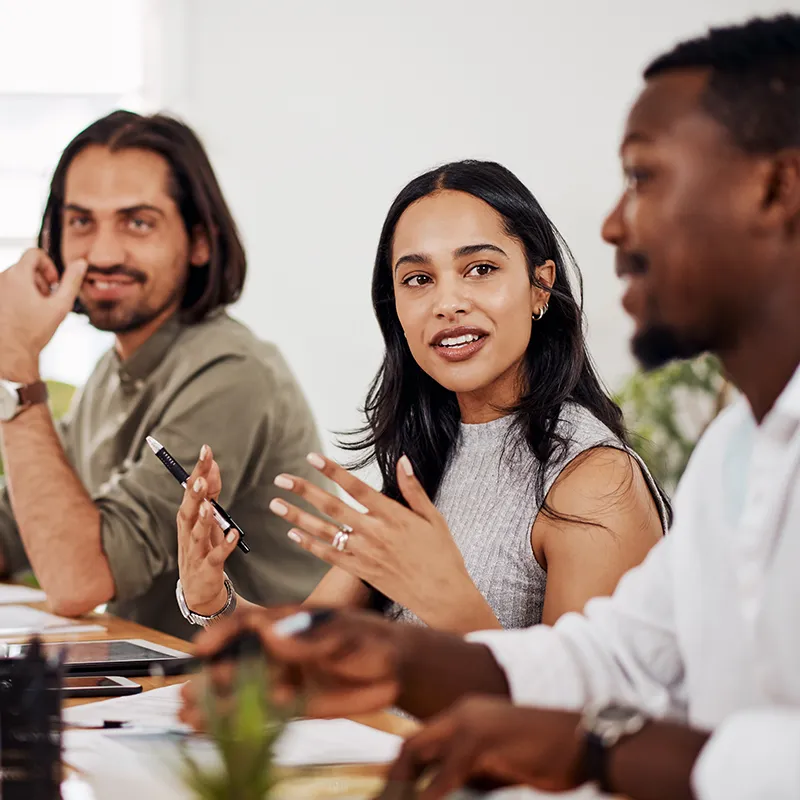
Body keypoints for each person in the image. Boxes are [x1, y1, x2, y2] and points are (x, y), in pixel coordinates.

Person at [181, 13, 800, 800]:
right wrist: (376, 653)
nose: (611, 224)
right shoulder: (734, 453)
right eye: (417, 280)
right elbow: (611, 659)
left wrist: (590, 747)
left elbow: (619, 721)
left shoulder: (592, 477)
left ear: (777, 188)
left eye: (645, 178)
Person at [177, 160, 669, 635]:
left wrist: (450, 602)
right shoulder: (432, 453)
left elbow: (577, 715)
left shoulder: (596, 483)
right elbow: (305, 646)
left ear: (540, 285)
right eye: (419, 279)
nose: (448, 304)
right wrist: (212, 598)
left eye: (479, 268)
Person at [0, 111, 329, 639]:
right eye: (82, 221)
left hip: (269, 699)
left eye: (138, 222)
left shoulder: (231, 373)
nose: (103, 254)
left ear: (199, 242)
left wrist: (15, 367)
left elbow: (77, 579)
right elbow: (15, 529)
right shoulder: (110, 375)